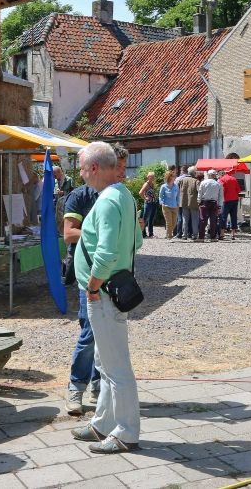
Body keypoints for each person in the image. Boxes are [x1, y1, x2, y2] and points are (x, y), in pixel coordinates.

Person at [71, 142, 143, 454]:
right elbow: (136, 241)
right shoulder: (124, 196)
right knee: (105, 360)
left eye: (84, 168)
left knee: (116, 367)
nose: (81, 174)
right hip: (112, 290)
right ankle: (103, 423)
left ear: (96, 168)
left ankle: (126, 432)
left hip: (102, 294)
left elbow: (106, 251)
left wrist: (92, 285)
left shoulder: (106, 202)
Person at [198, 170, 222, 241]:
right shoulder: (218, 184)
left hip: (204, 202)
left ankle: (201, 237)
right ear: (214, 175)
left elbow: (200, 193)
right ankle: (213, 237)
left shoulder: (203, 182)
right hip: (214, 203)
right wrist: (220, 205)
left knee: (203, 220)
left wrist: (199, 202)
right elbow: (220, 196)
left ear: (208, 175)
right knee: (213, 220)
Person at [177, 166, 200, 240]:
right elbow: (199, 191)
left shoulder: (182, 180)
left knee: (185, 219)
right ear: (194, 173)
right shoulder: (196, 181)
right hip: (193, 203)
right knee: (194, 219)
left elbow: (178, 190)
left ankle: (184, 235)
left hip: (183, 202)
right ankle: (195, 235)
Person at [158, 170, 179, 239]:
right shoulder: (163, 186)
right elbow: (160, 196)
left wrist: (178, 203)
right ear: (169, 177)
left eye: (174, 176)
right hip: (166, 206)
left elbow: (178, 196)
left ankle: (168, 233)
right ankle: (169, 236)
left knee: (174, 223)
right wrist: (161, 202)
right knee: (169, 222)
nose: (174, 177)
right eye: (173, 176)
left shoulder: (176, 186)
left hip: (175, 206)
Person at [138, 172, 158, 238]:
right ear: (148, 177)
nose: (152, 178)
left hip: (153, 203)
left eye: (153, 177)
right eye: (151, 177)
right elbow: (140, 192)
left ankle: (151, 234)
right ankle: (143, 234)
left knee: (151, 219)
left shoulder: (152, 184)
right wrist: (145, 198)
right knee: (145, 219)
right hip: (148, 204)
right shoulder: (146, 184)